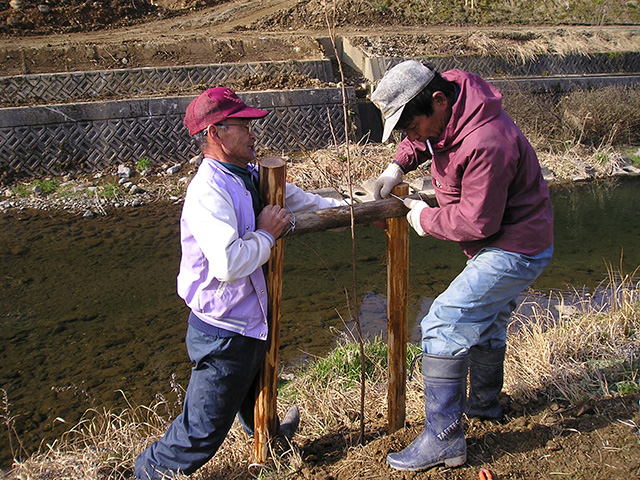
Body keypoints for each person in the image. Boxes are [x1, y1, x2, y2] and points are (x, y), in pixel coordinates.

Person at [134, 87, 346, 479]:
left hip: (248, 320)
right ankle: (149, 471)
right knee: (202, 430)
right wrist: (266, 234)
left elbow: (295, 200)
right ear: (215, 133)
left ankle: (274, 445)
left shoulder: (245, 173)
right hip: (222, 330)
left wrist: (349, 209)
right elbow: (228, 264)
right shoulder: (207, 191)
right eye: (243, 125)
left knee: (256, 391)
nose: (253, 133)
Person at [370, 60, 554, 472]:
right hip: (508, 240)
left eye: (410, 125)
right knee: (485, 321)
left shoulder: (487, 141)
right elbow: (428, 137)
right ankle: (484, 406)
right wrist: (398, 163)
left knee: (441, 323)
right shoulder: (451, 98)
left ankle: (444, 439)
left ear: (438, 102)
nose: (411, 134)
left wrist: (421, 217)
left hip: (514, 248)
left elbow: (475, 222)